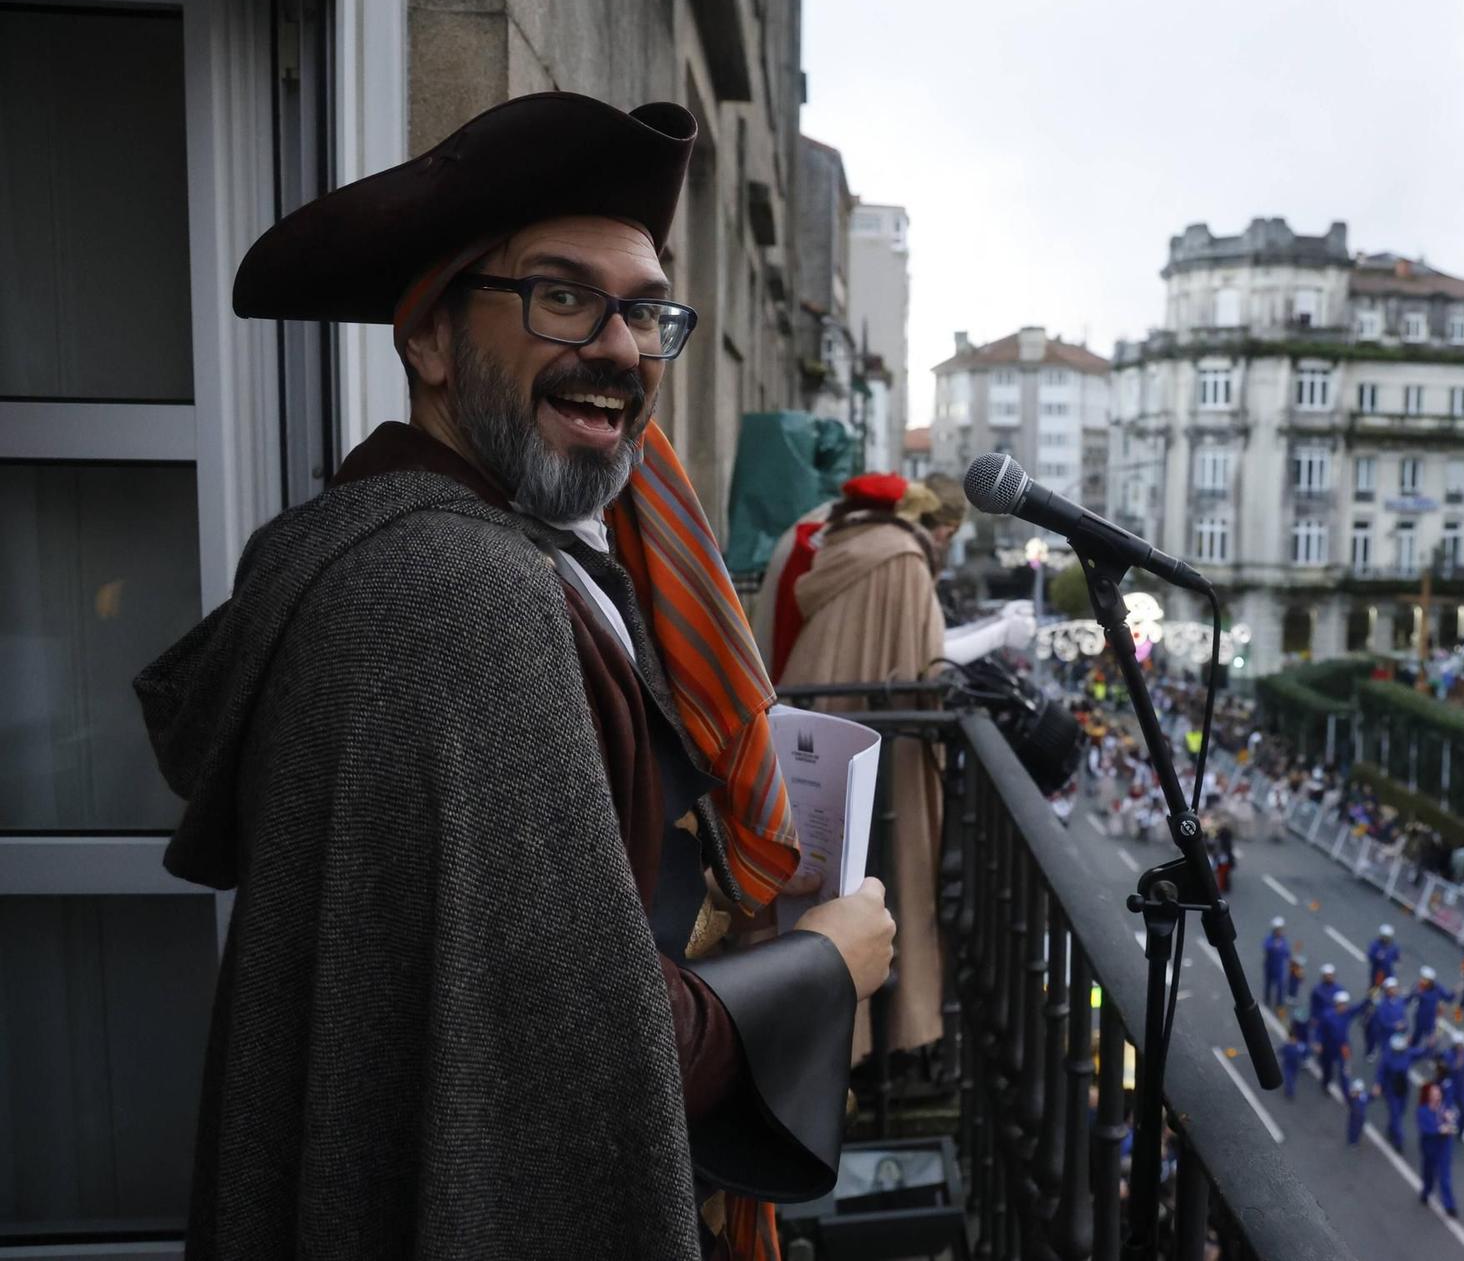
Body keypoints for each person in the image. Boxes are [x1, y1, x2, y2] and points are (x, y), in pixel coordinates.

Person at [133, 92, 898, 1257]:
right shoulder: (456, 592)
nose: (619, 348)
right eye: (560, 298)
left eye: (645, 312)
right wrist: (821, 967)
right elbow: (560, 1050)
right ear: (427, 337)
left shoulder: (445, 548)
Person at [783, 467, 986, 1064]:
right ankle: (871, 1039)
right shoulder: (903, 559)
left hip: (809, 734)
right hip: (877, 753)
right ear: (939, 527)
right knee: (879, 881)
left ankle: (824, 1031)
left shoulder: (843, 543)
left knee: (820, 885)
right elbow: (928, 671)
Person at [1417, 1082, 1461, 1217]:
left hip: (1443, 1147)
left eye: (1438, 1094)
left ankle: (1450, 1206)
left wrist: (1451, 1119)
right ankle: (1426, 1192)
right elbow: (1426, 1128)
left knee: (1444, 1177)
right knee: (1428, 1174)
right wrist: (1440, 1129)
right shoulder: (1423, 1111)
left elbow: (1455, 1116)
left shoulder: (1444, 1107)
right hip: (1430, 1147)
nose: (1437, 1097)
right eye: (1434, 1095)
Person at [1319, 988, 1366, 1098]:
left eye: (1345, 1004)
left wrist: (1368, 999)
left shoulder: (1347, 1013)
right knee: (1327, 1069)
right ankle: (1325, 1084)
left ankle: (1346, 1093)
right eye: (1342, 1004)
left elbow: (1358, 1008)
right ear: (1337, 1004)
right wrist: (1319, 1043)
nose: (1344, 1006)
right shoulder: (1327, 1016)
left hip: (1343, 1047)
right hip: (1329, 1047)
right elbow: (1320, 1030)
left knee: (1344, 1071)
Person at [1379, 1031, 1417, 1154]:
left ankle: (1391, 1129)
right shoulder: (1387, 1057)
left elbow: (1422, 1053)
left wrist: (1431, 1045)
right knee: (1396, 1115)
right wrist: (1378, 1085)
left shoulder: (1407, 1054)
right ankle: (1398, 1141)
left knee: (1400, 1112)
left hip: (1404, 1089)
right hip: (1392, 1090)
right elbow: (1381, 1072)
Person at [1439, 1030, 1464, 1142]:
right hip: (1450, 1085)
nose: (1461, 1047)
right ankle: (1443, 1131)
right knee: (1447, 1110)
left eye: (1462, 1044)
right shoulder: (1448, 1054)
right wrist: (1455, 1066)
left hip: (1461, 1085)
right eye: (1459, 1044)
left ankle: (1461, 1131)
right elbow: (1444, 1069)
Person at [1413, 965, 1457, 1046]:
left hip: (1430, 1019)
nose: (1422, 980)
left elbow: (1448, 998)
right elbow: (1413, 996)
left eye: (1424, 979)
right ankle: (1411, 1051)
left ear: (1430, 981)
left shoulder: (1438, 988)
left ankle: (1429, 1052)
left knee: (1431, 1041)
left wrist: (1454, 992)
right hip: (1420, 1016)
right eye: (1422, 978)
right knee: (1416, 1037)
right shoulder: (1419, 987)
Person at [1367, 976, 1408, 1060]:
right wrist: (1395, 1026)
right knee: (1385, 1053)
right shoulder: (1381, 1004)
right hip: (1385, 1035)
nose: (1395, 990)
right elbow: (1382, 1022)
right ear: (1387, 990)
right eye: (1392, 988)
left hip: (1398, 1033)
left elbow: (1403, 1015)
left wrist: (1405, 1025)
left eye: (1395, 987)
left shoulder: (1400, 1000)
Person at [1262, 918, 1290, 1010]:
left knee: (1280, 986)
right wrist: (1274, 946)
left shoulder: (1282, 940)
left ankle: (1279, 1003)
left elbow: (1286, 952)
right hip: (1270, 966)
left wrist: (1289, 958)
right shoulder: (1270, 939)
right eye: (1278, 930)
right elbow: (1266, 947)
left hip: (1279, 967)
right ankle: (1267, 1000)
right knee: (1268, 984)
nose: (1280, 931)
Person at [1279, 1019, 1309, 1100]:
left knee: (1293, 1078)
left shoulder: (1299, 1046)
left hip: (1295, 1065)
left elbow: (1306, 1051)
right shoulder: (1287, 1045)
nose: (1293, 1040)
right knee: (1289, 1078)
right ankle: (1290, 1092)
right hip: (1287, 1064)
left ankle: (1289, 1090)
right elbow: (1280, 1051)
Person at [1347, 1079, 1373, 1147]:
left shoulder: (1363, 1096)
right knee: (1353, 1128)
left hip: (1361, 1116)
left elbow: (1369, 1097)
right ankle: (1352, 1141)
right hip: (1355, 1116)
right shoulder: (1352, 1098)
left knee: (1358, 1129)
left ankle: (1355, 1139)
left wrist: (1373, 1095)